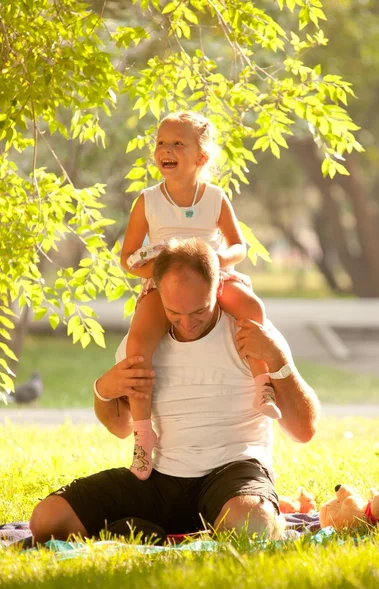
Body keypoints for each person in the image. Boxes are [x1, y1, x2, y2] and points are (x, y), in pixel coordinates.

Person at [29, 238, 320, 544]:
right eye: (174, 312)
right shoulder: (144, 340)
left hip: (234, 473)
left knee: (252, 526)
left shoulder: (251, 330)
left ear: (218, 287)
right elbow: (120, 427)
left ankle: (145, 533)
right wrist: (102, 391)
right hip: (160, 478)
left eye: (198, 312)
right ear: (155, 293)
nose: (186, 324)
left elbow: (304, 430)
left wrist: (280, 360)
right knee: (47, 520)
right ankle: (152, 530)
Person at [120, 111, 280, 480]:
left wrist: (218, 260)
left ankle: (262, 385)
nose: (166, 149)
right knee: (137, 345)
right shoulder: (147, 201)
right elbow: (128, 258)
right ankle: (143, 432)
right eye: (161, 142)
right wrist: (154, 268)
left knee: (250, 307)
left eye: (178, 143)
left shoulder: (215, 198)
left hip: (213, 279)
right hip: (165, 285)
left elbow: (238, 245)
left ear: (201, 158)